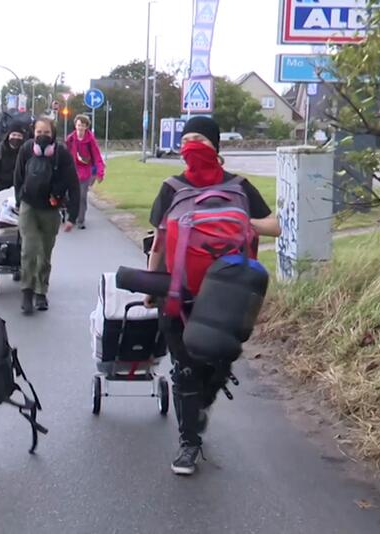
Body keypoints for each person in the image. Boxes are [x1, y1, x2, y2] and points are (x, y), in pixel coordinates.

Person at [144, 116, 280, 476]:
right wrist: (151, 281)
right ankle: (189, 443)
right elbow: (158, 239)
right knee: (185, 367)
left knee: (218, 361)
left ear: (215, 147)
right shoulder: (172, 186)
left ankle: (200, 403)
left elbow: (275, 226)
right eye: (186, 138)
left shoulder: (239, 187)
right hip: (178, 289)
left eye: (199, 139)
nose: (191, 144)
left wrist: (241, 222)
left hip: (228, 296)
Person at [13, 117, 81, 315]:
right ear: (33, 133)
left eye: (46, 133)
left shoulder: (62, 155)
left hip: (51, 210)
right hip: (29, 207)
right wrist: (19, 201)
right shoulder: (26, 150)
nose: (42, 136)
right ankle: (27, 292)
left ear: (53, 135)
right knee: (29, 249)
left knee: (45, 253)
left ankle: (41, 292)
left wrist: (72, 217)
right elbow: (18, 177)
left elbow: (74, 186)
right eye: (39, 132)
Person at [64, 115, 105, 229]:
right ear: (75, 126)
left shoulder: (90, 140)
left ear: (86, 127)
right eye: (78, 125)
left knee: (82, 196)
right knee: (68, 195)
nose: (80, 128)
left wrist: (99, 173)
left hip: (85, 172)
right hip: (72, 171)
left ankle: (80, 220)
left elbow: (97, 157)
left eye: (82, 125)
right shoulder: (70, 139)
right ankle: (71, 214)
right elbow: (64, 154)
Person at [0, 124, 27, 198]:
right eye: (14, 134)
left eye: (19, 135)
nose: (16, 137)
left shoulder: (26, 151)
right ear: (8, 135)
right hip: (0, 191)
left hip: (20, 192)